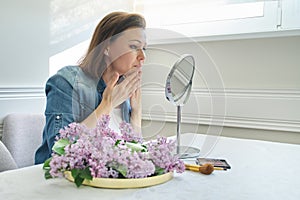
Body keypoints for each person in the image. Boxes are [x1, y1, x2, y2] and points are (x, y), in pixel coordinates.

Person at [35, 11, 147, 164]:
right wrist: (108, 105)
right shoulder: (66, 82)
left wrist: (136, 114)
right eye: (134, 46)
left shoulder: (124, 90)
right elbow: (59, 153)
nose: (142, 57)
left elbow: (134, 158)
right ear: (106, 47)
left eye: (144, 49)